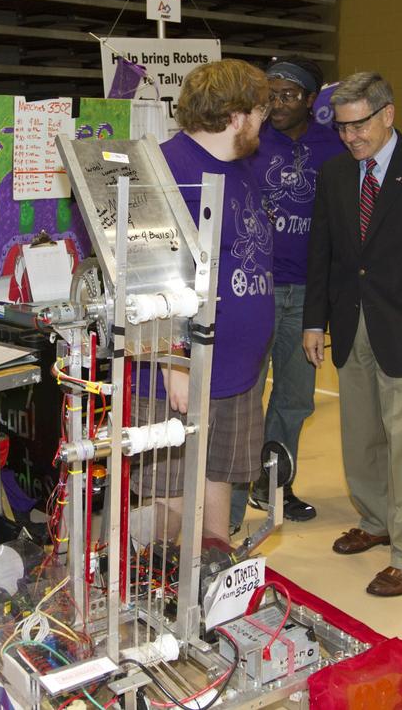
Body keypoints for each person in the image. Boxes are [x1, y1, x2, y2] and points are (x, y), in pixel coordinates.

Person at [303, 71, 402, 597]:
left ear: (388, 114)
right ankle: (375, 521)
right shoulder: (333, 174)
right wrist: (314, 320)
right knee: (360, 437)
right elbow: (322, 255)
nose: (351, 137)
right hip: (352, 326)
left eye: (360, 126)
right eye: (342, 128)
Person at [136, 58, 274, 542]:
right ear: (236, 115)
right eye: (259, 112)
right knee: (168, 501)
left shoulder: (241, 169)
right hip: (181, 371)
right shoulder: (165, 167)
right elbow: (143, 270)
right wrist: (174, 361)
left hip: (236, 367)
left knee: (217, 477)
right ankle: (145, 588)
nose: (263, 123)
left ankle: (211, 572)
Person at [231, 56, 339, 529]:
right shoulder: (250, 142)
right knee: (243, 395)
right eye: (270, 94)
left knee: (295, 398)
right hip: (257, 288)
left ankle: (273, 486)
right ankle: (229, 504)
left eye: (288, 95)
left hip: (309, 292)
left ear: (312, 101)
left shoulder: (332, 146)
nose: (276, 103)